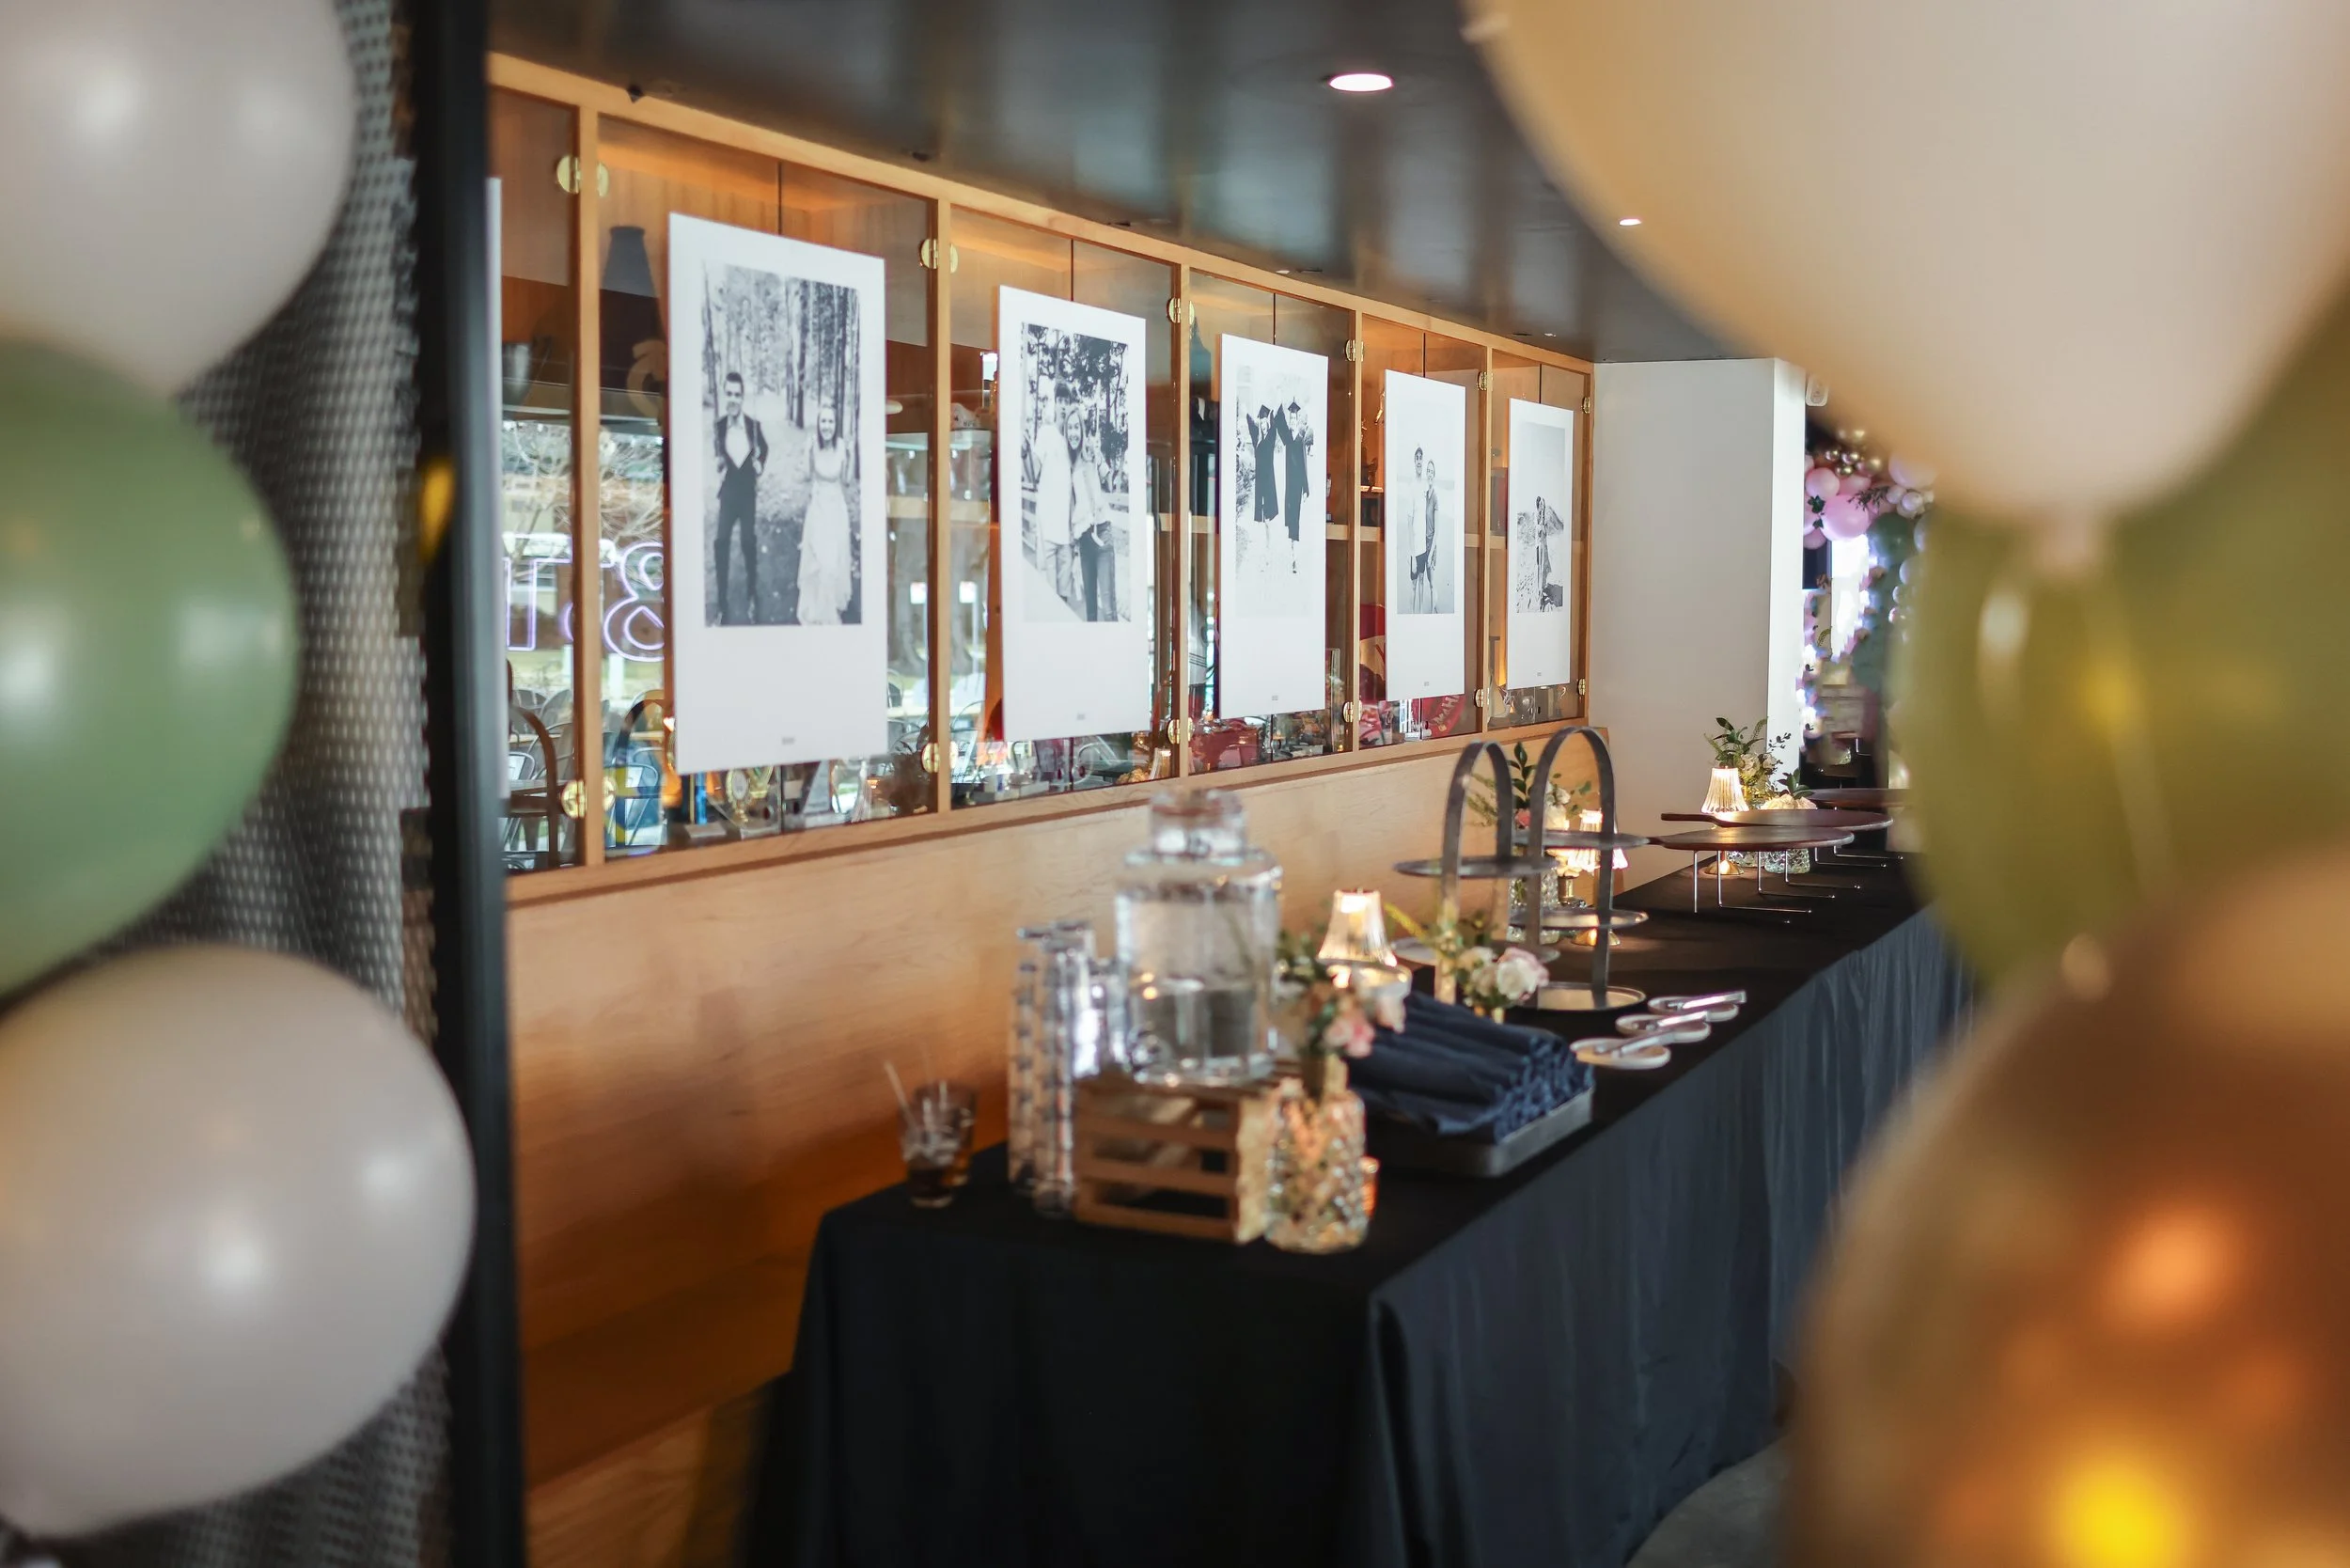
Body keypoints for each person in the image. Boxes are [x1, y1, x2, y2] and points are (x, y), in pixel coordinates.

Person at [713, 369, 767, 623]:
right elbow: (718, 453)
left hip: (747, 494)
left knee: (748, 541)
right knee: (721, 542)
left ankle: (752, 593)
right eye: (729, 394)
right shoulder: (719, 426)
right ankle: (722, 603)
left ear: (743, 397)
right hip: (728, 493)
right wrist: (719, 462)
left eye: (737, 394)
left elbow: (764, 449)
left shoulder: (753, 427)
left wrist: (760, 463)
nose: (733, 399)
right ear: (725, 395)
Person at [798, 395, 854, 625]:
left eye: (830, 422)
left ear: (835, 424)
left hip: (836, 511)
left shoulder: (841, 446)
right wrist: (806, 452)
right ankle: (818, 608)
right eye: (823, 421)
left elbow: (847, 481)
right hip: (819, 509)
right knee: (820, 562)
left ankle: (829, 609)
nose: (827, 426)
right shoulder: (814, 445)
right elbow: (805, 476)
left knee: (833, 564)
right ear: (818, 424)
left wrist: (851, 454)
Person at [1030, 381, 1075, 604]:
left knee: (1064, 599)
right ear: (1055, 404)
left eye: (1067, 401)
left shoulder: (1073, 439)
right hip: (1046, 528)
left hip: (1066, 533)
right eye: (1060, 401)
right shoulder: (1045, 433)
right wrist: (1023, 453)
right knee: (1048, 599)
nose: (1064, 405)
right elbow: (1032, 472)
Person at [1073, 426, 1117, 620]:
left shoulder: (1091, 454)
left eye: (1077, 427)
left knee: (1108, 609)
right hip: (1084, 539)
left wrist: (1098, 458)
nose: (1074, 433)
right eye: (1070, 428)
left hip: (1102, 531)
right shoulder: (1070, 462)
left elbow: (1108, 480)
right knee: (1090, 609)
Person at [1274, 398, 1311, 557]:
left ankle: (1294, 549)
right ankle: (1292, 542)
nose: (1293, 421)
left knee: (1295, 513)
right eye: (1291, 419)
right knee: (1289, 512)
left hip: (1297, 483)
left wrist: (1306, 489)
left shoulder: (1300, 440)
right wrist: (1280, 403)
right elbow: (1279, 421)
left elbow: (1304, 465)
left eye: (1295, 419)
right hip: (1289, 482)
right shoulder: (1288, 437)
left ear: (1298, 420)